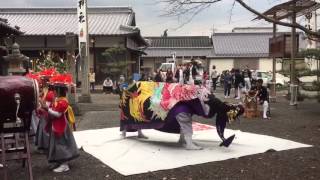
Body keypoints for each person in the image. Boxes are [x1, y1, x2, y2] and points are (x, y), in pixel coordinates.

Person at [46, 77, 79, 173]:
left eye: (55, 89)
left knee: (61, 143)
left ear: (59, 91)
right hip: (57, 124)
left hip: (61, 125)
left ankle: (64, 164)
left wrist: (47, 109)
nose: (54, 91)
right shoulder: (58, 100)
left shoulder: (63, 101)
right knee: (57, 143)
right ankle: (60, 161)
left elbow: (58, 114)